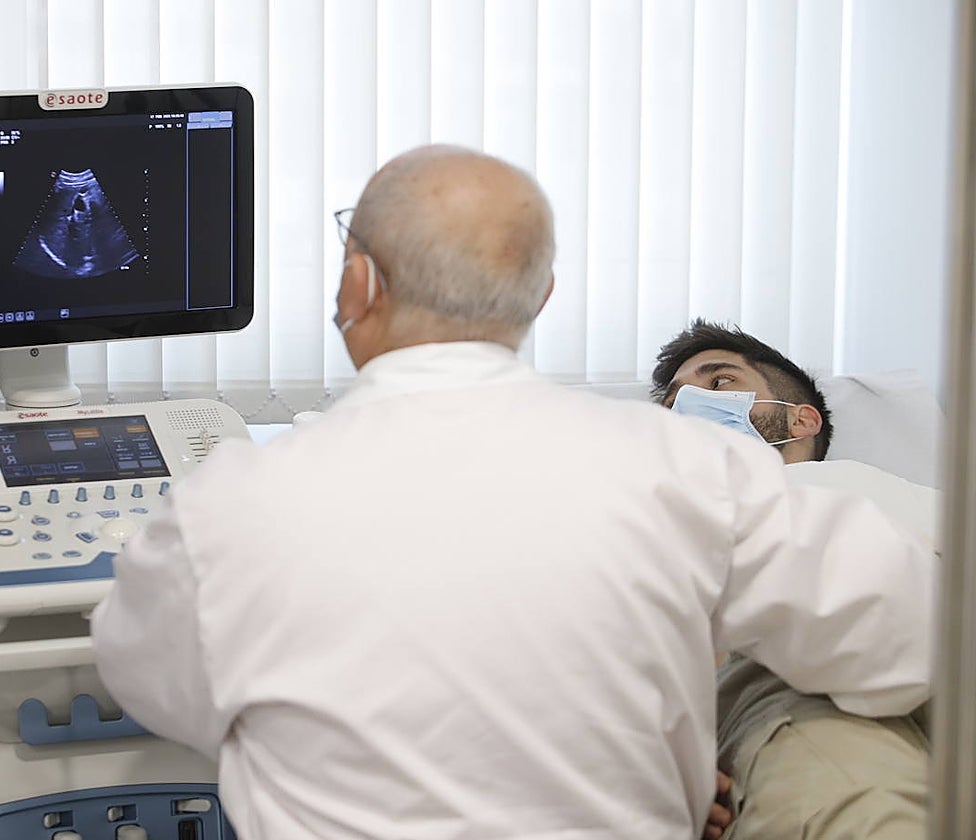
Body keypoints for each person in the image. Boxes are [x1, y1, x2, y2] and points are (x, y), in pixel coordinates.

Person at [90, 145, 934, 839]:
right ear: (540, 298)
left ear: (357, 286)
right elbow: (910, 636)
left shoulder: (228, 506)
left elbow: (154, 688)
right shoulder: (686, 472)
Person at [652, 319, 937, 840]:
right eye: (672, 404)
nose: (690, 405)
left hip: (952, 641)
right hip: (789, 689)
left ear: (801, 419)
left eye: (718, 384)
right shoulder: (666, 516)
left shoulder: (917, 495)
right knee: (864, 811)